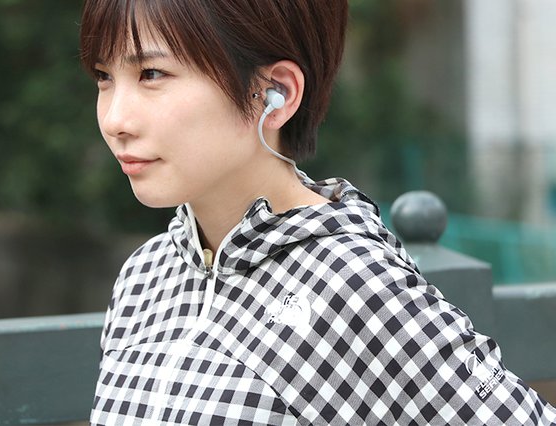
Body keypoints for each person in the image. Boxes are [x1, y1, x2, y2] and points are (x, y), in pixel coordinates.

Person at [79, 0, 556, 424]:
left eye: (152, 74)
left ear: (276, 93)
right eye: (104, 77)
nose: (115, 119)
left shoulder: (354, 284)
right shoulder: (144, 275)